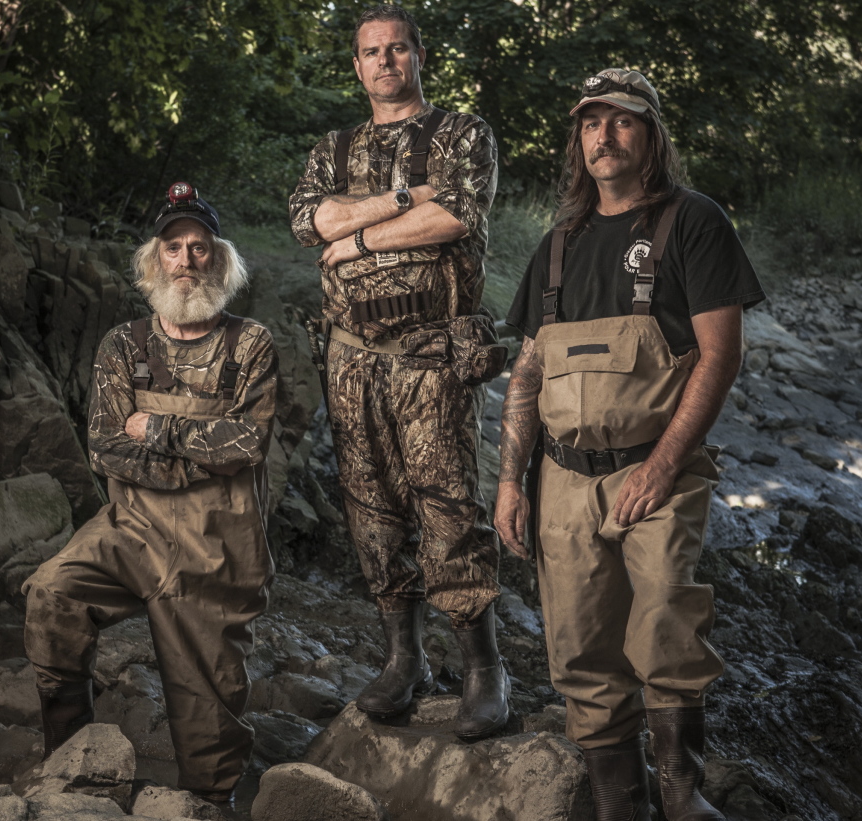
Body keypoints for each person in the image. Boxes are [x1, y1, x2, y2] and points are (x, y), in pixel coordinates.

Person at [495, 69, 764, 820]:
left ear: (650, 136)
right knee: (578, 648)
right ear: (577, 141)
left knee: (665, 626)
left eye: (621, 122)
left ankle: (681, 795)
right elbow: (527, 369)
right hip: (560, 478)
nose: (603, 137)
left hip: (659, 470)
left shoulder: (692, 221)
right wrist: (510, 481)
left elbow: (720, 354)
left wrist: (663, 464)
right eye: (590, 124)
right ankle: (622, 803)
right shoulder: (555, 247)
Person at [289, 4, 508, 739]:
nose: (384, 61)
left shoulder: (461, 132)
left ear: (419, 56)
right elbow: (306, 221)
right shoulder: (333, 145)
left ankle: (483, 670)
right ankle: (401, 659)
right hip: (351, 356)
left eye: (396, 49)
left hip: (429, 354)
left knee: (447, 503)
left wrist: (357, 240)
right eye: (370, 51)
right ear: (356, 66)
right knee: (370, 507)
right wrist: (403, 200)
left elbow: (455, 216)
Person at [23, 182, 278, 803]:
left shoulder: (251, 344)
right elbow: (107, 448)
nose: (186, 261)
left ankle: (210, 805)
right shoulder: (123, 345)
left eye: (199, 248)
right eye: (173, 248)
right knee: (51, 594)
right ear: (153, 259)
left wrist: (160, 429)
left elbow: (247, 445)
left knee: (207, 728)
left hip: (217, 546)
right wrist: (199, 454)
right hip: (130, 529)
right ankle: (70, 757)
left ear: (219, 259)